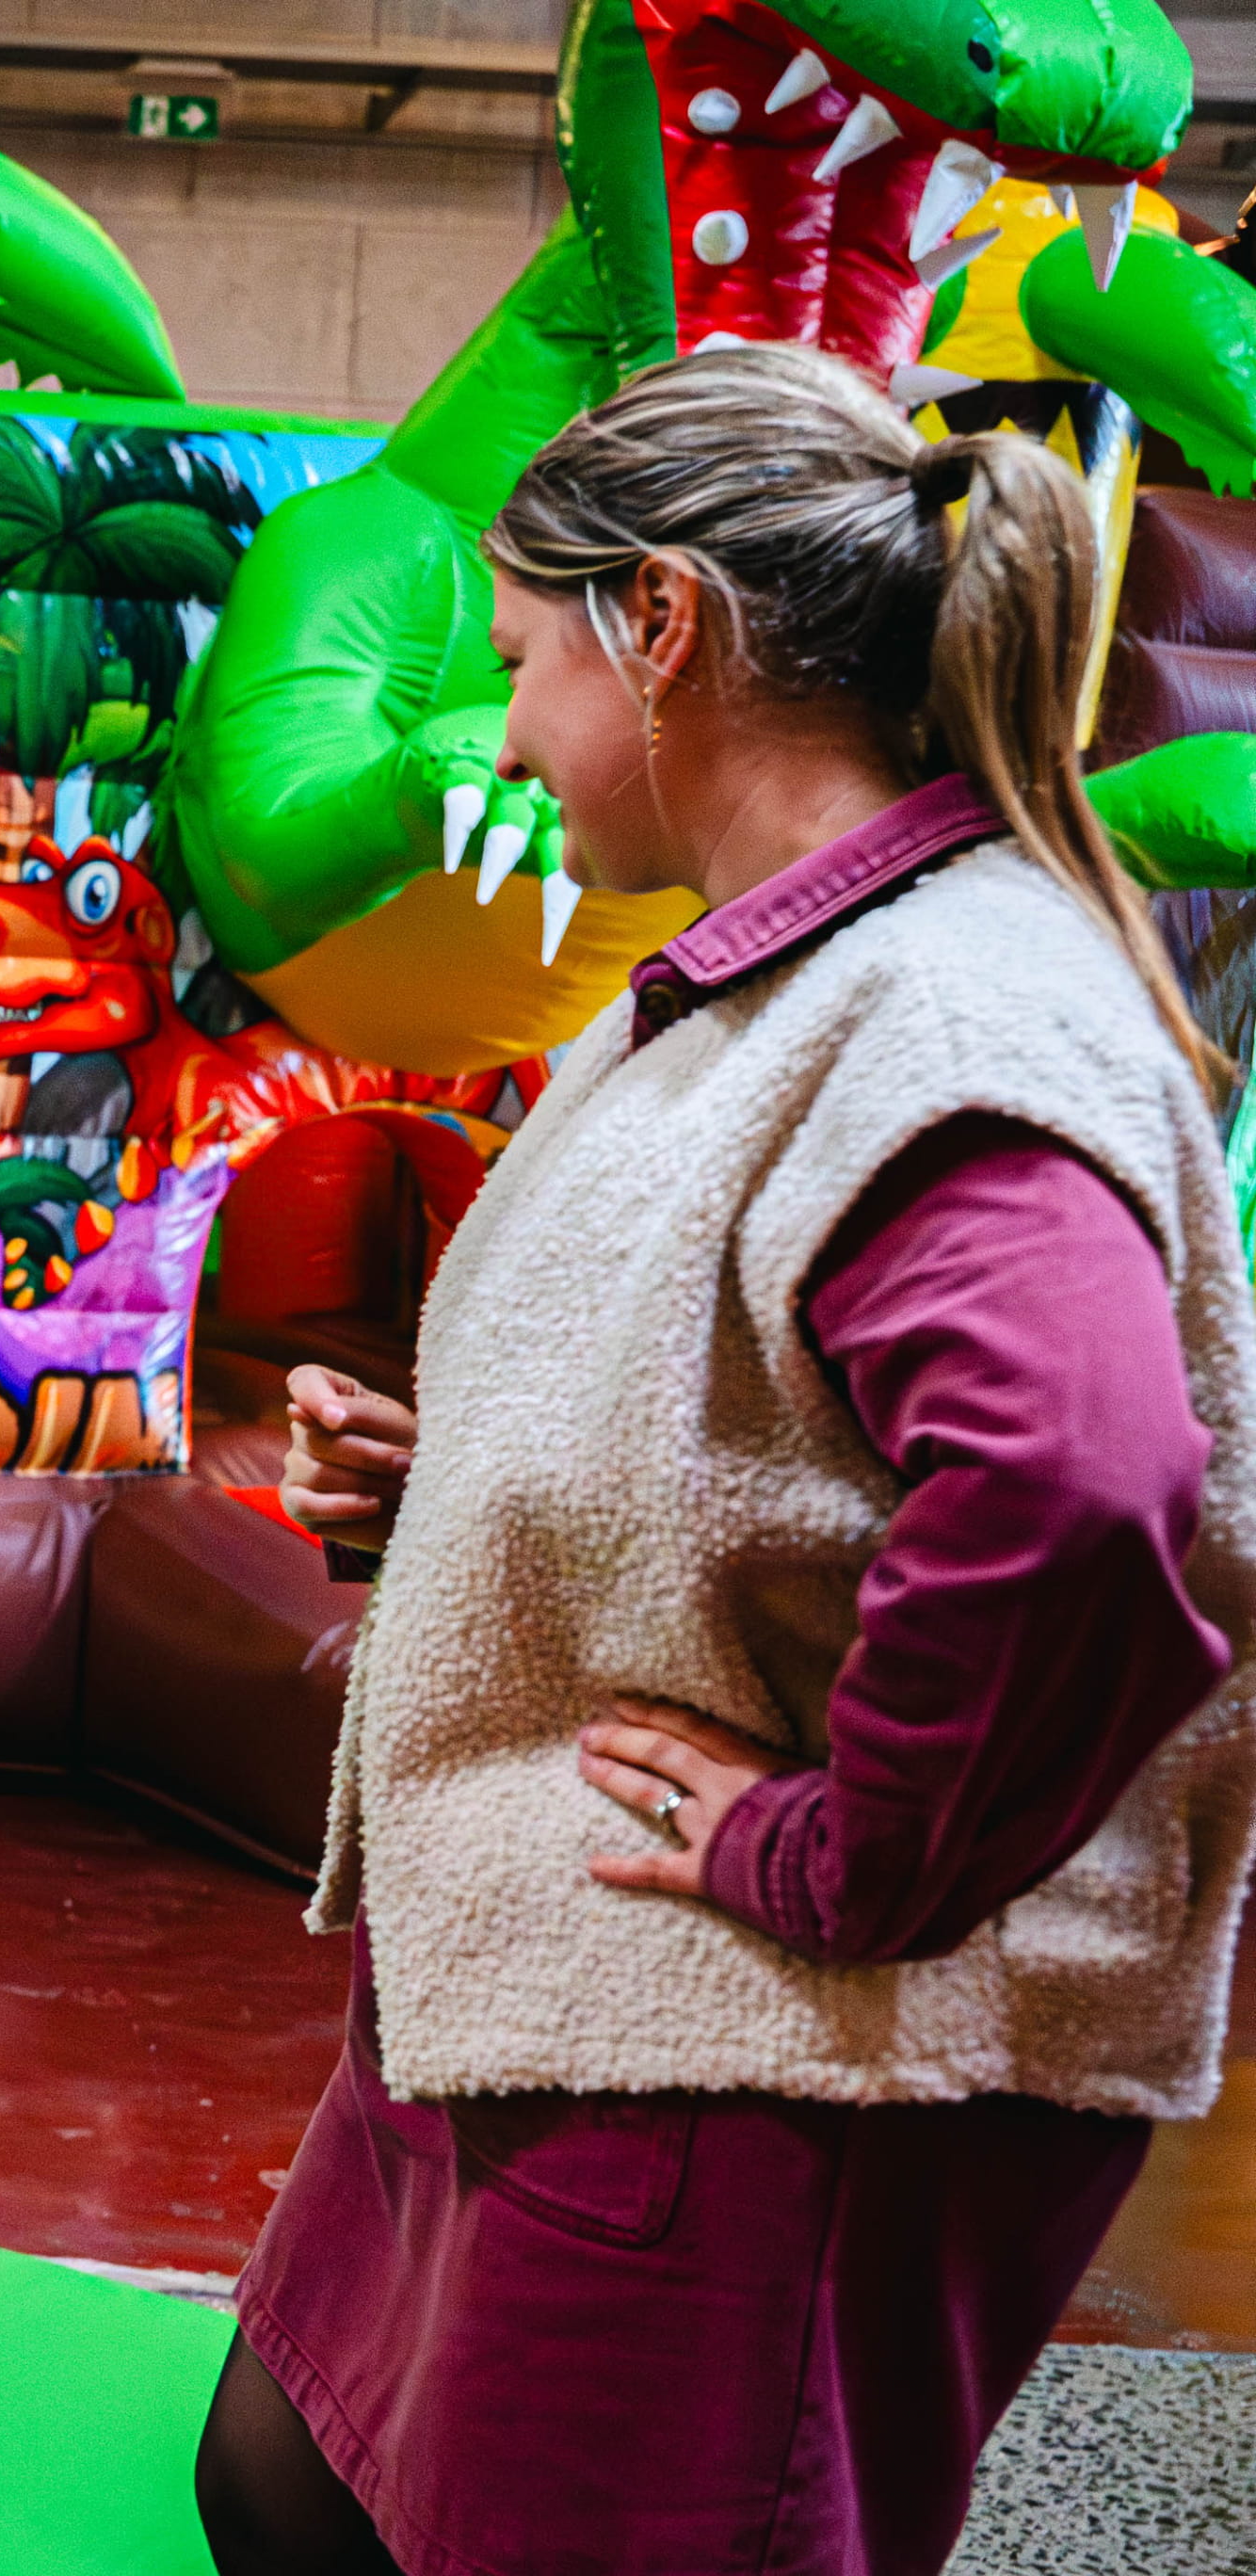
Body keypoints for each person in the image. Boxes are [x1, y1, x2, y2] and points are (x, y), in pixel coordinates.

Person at [221, 341, 1256, 2575]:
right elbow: (784, 1422)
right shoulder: (765, 981)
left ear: (663, 627)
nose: (504, 732)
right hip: (557, 1987)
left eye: (520, 660)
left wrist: (843, 1854)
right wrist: (457, 1485)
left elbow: (1077, 1482)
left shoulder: (948, 1008)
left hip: (760, 2054)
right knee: (286, 2477)